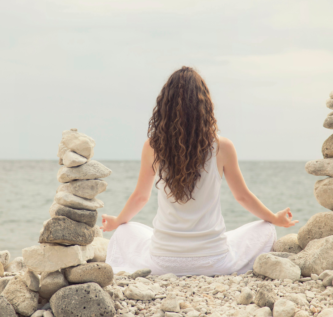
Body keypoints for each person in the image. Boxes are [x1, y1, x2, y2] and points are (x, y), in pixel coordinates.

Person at [101, 66, 298, 276]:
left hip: (163, 262)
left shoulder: (153, 146)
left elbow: (140, 197)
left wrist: (116, 221)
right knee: (266, 229)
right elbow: (243, 197)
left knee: (124, 230)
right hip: (214, 261)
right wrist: (274, 218)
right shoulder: (223, 147)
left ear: (164, 107)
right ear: (204, 106)